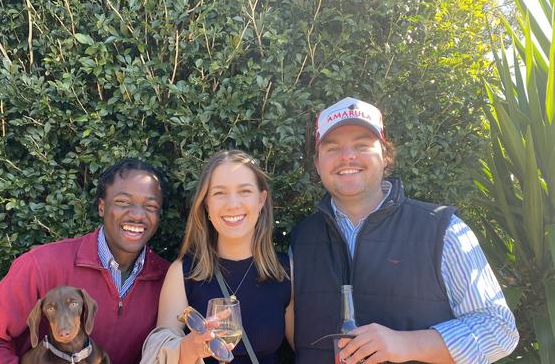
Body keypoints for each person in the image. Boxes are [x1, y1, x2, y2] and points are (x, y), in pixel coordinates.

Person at [290, 97, 519, 363]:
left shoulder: (442, 230)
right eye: (332, 148)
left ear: (386, 157)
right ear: (318, 164)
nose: (347, 156)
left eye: (362, 145)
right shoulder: (302, 238)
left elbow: (499, 329)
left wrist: (406, 343)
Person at [0, 158, 170, 364]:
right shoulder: (42, 266)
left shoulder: (168, 282)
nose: (137, 215)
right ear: (102, 206)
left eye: (150, 206)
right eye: (123, 202)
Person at [141, 150, 293, 364]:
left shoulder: (286, 271)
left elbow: (308, 351)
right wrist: (188, 348)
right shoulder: (183, 273)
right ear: (206, 205)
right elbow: (160, 351)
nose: (232, 204)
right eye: (219, 193)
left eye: (245, 191)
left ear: (261, 199)